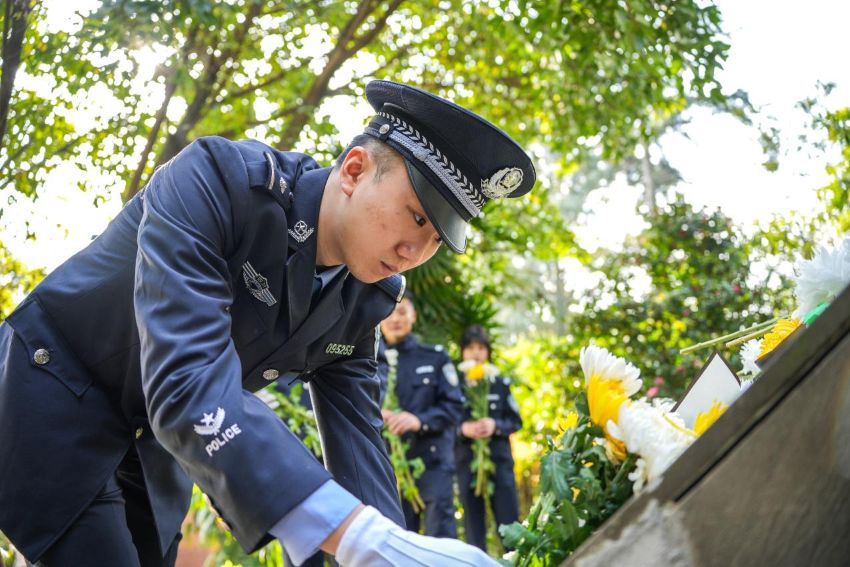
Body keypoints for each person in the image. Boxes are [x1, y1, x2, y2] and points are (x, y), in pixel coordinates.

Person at [0, 79, 535, 566]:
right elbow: (186, 376)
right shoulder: (217, 181)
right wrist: (356, 536)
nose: (416, 250)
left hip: (152, 443)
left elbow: (359, 445)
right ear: (353, 171)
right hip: (55, 388)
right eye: (417, 216)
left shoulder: (365, 298)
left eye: (436, 239)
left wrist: (395, 548)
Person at [379, 291, 464, 537]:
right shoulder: (367, 363)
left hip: (432, 461)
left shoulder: (435, 357)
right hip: (390, 466)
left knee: (441, 535)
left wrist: (419, 421)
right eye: (389, 312)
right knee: (399, 539)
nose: (395, 318)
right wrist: (376, 414)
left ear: (413, 315)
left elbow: (454, 407)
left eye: (402, 311)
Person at [455, 325, 522, 552]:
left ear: (488, 352)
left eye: (481, 348)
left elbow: (516, 421)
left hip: (499, 463)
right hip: (466, 463)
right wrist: (462, 428)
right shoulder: (453, 386)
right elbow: (445, 421)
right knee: (473, 530)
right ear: (462, 352)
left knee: (510, 525)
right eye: (471, 347)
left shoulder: (500, 384)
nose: (476, 353)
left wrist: (495, 426)